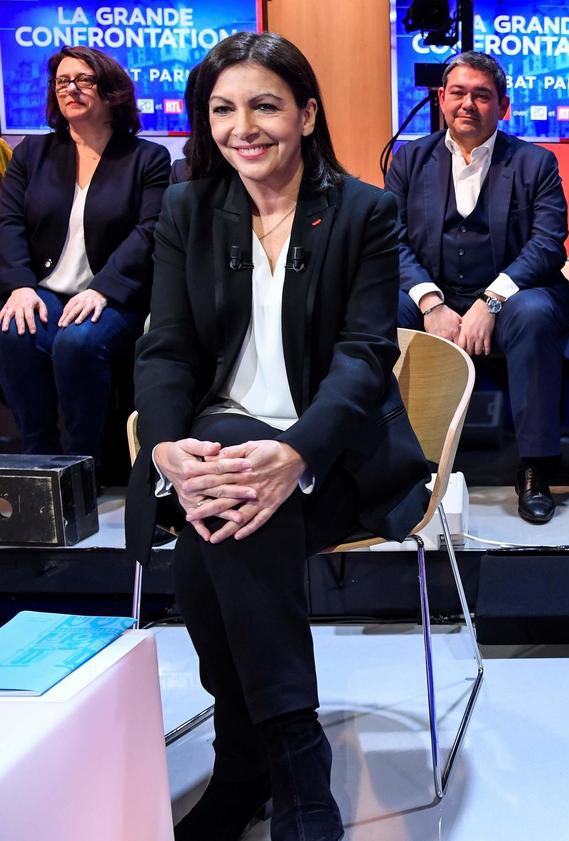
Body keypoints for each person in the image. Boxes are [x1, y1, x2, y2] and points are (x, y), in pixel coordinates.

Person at [125, 32, 432, 841]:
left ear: (307, 114)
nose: (242, 128)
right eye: (223, 110)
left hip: (332, 457)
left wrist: (295, 454)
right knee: (228, 490)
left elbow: (365, 356)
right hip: (212, 457)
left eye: (264, 106)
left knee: (220, 526)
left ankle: (250, 764)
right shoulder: (188, 209)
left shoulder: (363, 210)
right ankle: (293, 764)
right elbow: (167, 348)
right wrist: (163, 448)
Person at [388, 51, 569, 525]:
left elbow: (548, 244)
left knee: (534, 315)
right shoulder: (410, 159)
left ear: (503, 106)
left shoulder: (535, 162)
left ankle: (534, 467)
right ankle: (393, 462)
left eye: (482, 95)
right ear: (441, 99)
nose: (468, 103)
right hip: (436, 290)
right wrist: (430, 302)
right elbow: (390, 239)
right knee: (382, 311)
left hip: (514, 292)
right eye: (458, 93)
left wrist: (492, 300)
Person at [0, 46, 169, 471]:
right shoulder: (32, 153)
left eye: (83, 80)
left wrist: (102, 289)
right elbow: (8, 221)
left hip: (114, 294)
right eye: (61, 81)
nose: (70, 89)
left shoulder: (147, 158)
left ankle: (82, 465)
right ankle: (39, 464)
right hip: (46, 289)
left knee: (78, 343)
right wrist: (20, 285)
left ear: (111, 90)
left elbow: (148, 232)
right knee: (14, 332)